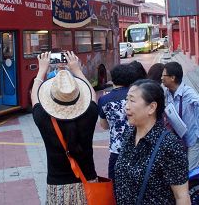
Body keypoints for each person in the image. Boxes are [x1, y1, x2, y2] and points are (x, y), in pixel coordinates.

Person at [31, 51, 98, 204]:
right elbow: (92, 94)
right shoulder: (90, 114)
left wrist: (42, 70)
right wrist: (76, 70)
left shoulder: (43, 118)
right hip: (88, 181)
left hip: (57, 186)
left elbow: (34, 96)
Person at [114, 80, 190, 204]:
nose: (126, 106)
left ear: (151, 107)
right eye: (127, 100)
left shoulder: (169, 145)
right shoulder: (129, 134)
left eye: (132, 101)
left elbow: (182, 197)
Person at [161, 62, 199, 169]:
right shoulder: (167, 93)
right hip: (179, 138)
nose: (161, 78)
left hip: (193, 139)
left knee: (190, 174)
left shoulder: (187, 92)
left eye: (164, 75)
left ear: (172, 78)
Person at [98, 64, 135, 179]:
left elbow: (104, 125)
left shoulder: (104, 100)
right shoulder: (137, 96)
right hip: (137, 147)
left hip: (117, 149)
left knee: (115, 186)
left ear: (112, 78)